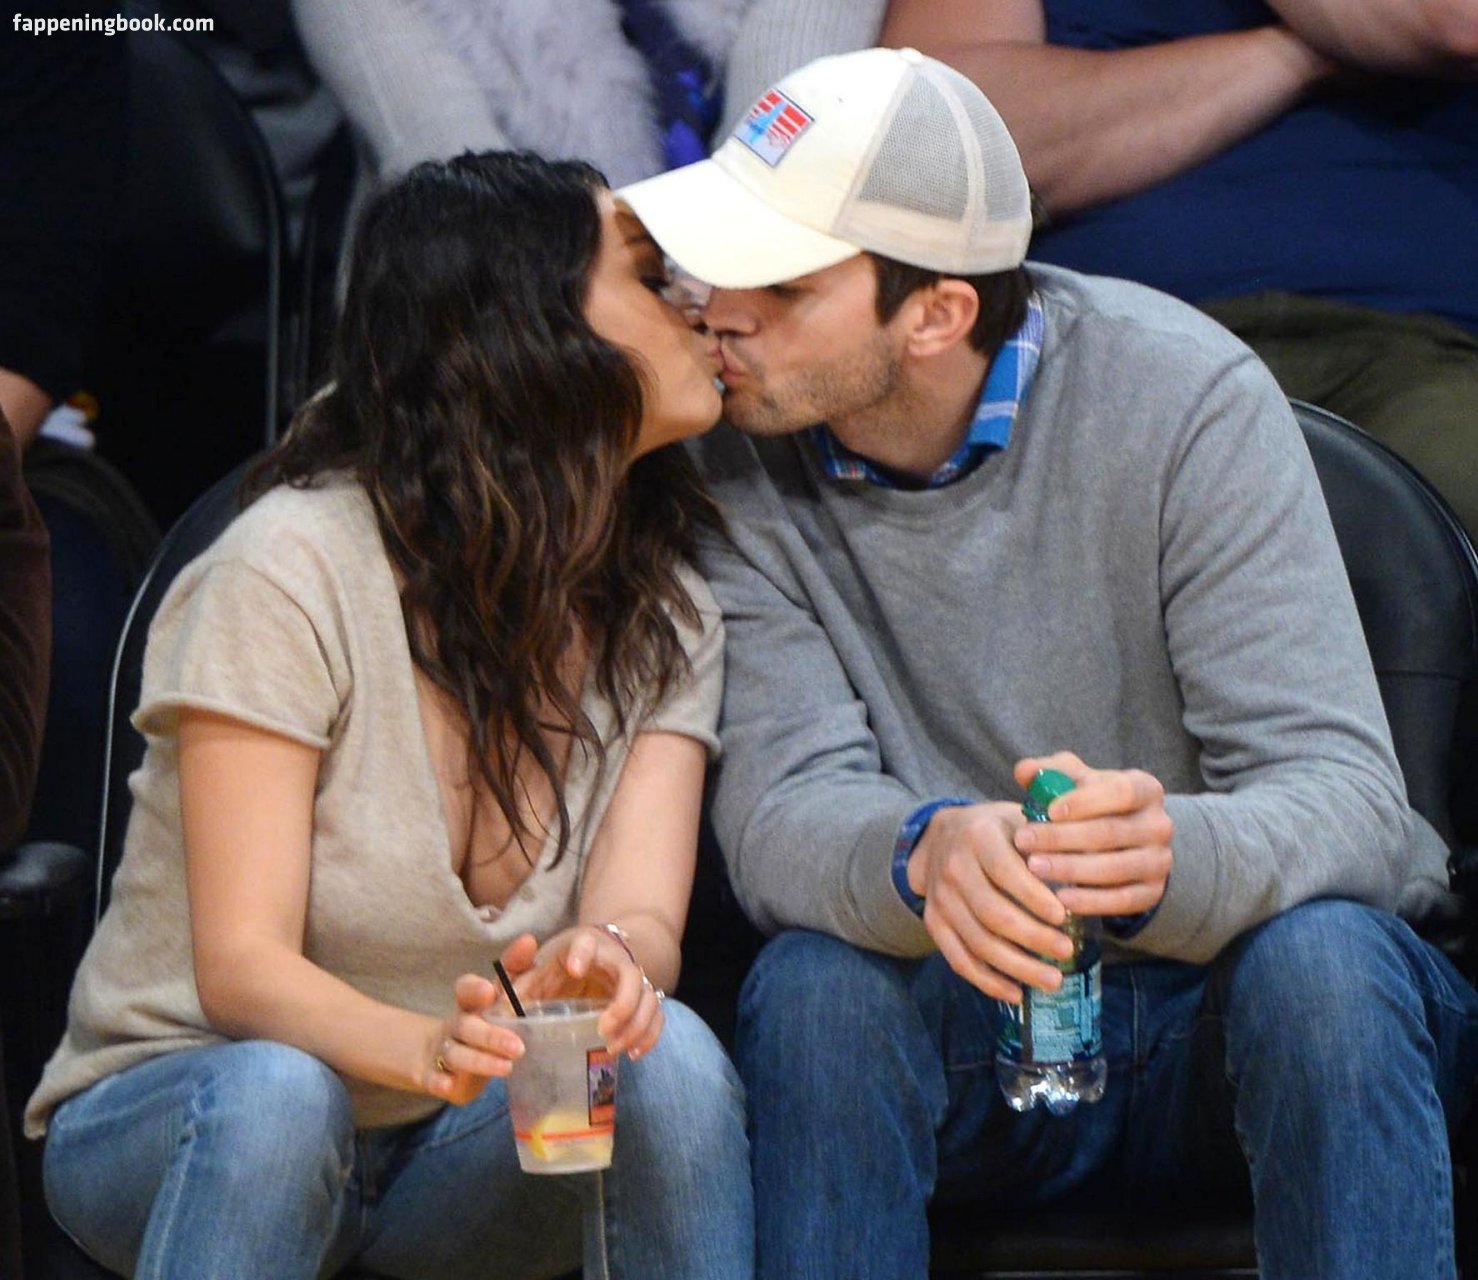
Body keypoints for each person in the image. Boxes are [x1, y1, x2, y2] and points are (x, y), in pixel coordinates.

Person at [617, 46, 1478, 1280]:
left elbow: (1348, 802)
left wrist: (1165, 855)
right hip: (965, 1019)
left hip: (1224, 1011)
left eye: (781, 283)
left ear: (934, 314)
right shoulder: (729, 457)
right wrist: (921, 852)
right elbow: (778, 813)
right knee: (814, 983)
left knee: (1325, 964)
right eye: (718, 263)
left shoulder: (1183, 397)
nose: (722, 312)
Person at [25, 150, 753, 1280]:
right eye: (651, 278)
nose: (699, 306)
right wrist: (427, 1046)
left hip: (446, 1154)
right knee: (279, 1095)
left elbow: (640, 916)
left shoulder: (668, 610)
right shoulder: (288, 566)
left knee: (672, 1056)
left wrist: (605, 961)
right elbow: (241, 968)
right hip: (183, 1107)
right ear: (525, 330)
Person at [878, 0, 1478, 536]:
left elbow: (1454, 22)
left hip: (1422, 346)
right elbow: (934, 148)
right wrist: (1300, 54)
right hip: (1104, 347)